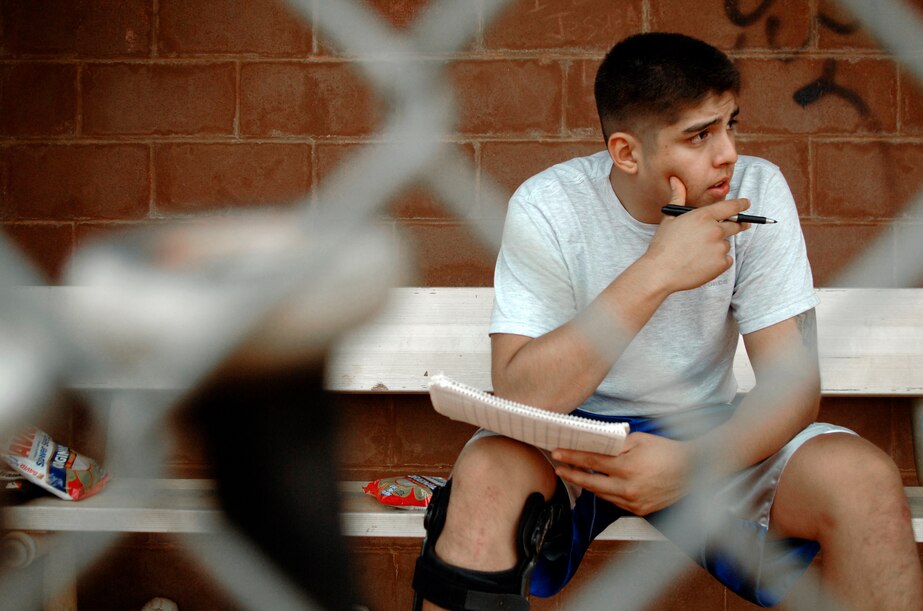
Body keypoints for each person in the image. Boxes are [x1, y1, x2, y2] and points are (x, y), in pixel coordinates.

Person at [411, 32, 923, 610]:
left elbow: (794, 386)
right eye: (699, 135)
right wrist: (656, 272)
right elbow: (520, 394)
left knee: (863, 480)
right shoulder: (549, 204)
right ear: (627, 153)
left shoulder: (755, 189)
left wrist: (696, 464)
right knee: (485, 474)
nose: (728, 153)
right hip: (568, 436)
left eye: (731, 124)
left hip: (706, 428)